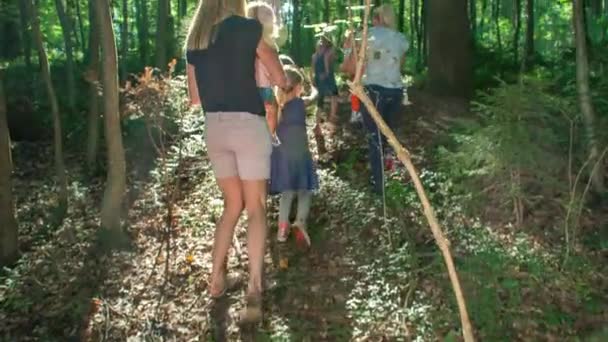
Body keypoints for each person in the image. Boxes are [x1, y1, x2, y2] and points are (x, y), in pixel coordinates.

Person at [184, 0, 287, 322]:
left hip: (214, 128)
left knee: (232, 206)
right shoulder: (248, 29)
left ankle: (216, 279)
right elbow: (280, 76)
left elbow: (195, 98)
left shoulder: (196, 39)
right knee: (255, 206)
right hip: (248, 125)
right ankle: (254, 289)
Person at [348, 4, 408, 195]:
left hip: (374, 91)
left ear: (376, 18)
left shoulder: (367, 36)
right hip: (396, 92)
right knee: (388, 133)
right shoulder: (400, 39)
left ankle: (379, 186)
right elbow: (401, 67)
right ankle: (387, 164)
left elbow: (350, 68)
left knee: (375, 138)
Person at [270, 66, 319, 248]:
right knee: (304, 190)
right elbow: (314, 97)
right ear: (298, 87)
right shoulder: (298, 104)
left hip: (282, 157)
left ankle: (282, 229)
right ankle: (300, 221)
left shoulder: (276, 106)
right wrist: (314, 86)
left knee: (287, 192)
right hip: (300, 155)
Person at [247, 2, 280, 137]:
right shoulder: (250, 40)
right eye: (266, 13)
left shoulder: (271, 42)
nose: (271, 15)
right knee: (261, 115)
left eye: (270, 13)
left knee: (272, 111)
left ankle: (270, 138)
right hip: (255, 86)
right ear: (254, 18)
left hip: (268, 85)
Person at [311, 35, 339, 126]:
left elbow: (312, 70)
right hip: (327, 78)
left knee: (320, 99)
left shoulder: (314, 56)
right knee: (334, 95)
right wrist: (326, 74)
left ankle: (317, 122)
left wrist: (313, 80)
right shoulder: (327, 54)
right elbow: (327, 68)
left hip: (318, 78)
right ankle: (332, 115)